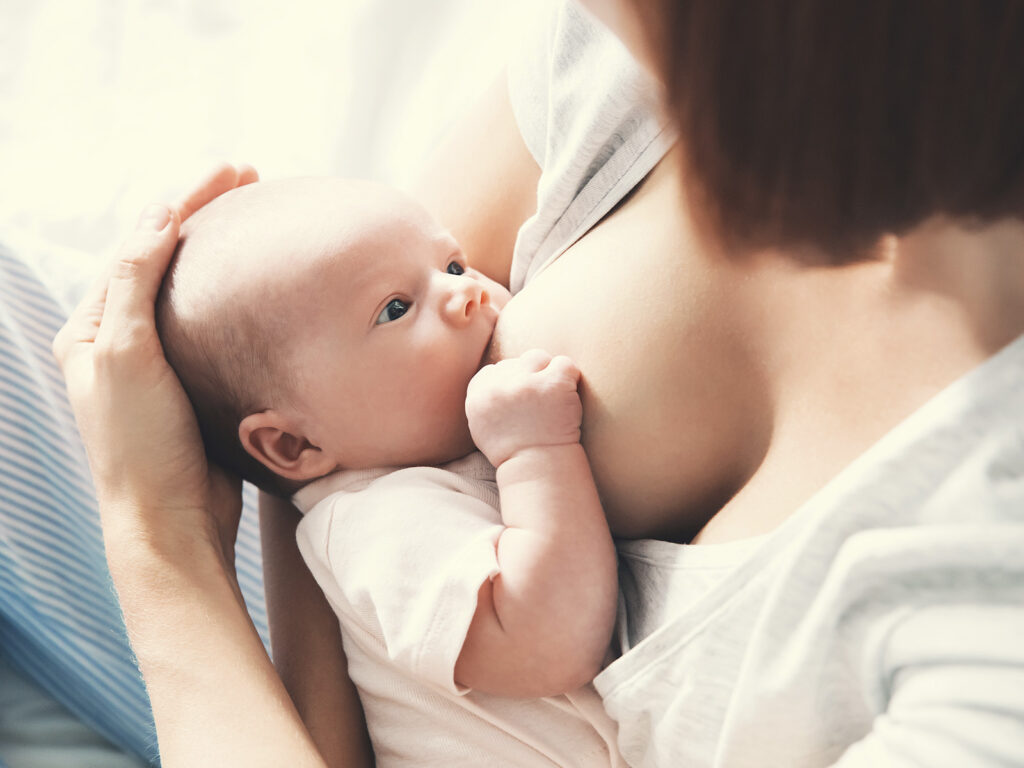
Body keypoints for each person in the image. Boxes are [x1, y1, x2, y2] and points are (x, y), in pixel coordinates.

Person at [14, 0, 1024, 764]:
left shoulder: (983, 624)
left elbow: (340, 400)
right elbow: (318, 372)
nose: (462, 294)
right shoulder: (632, 64)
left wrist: (159, 539)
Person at [155, 176, 621, 766]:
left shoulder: (420, 460)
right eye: (395, 309)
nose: (467, 293)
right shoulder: (374, 525)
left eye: (453, 265)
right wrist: (535, 453)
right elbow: (550, 642)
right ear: (293, 445)